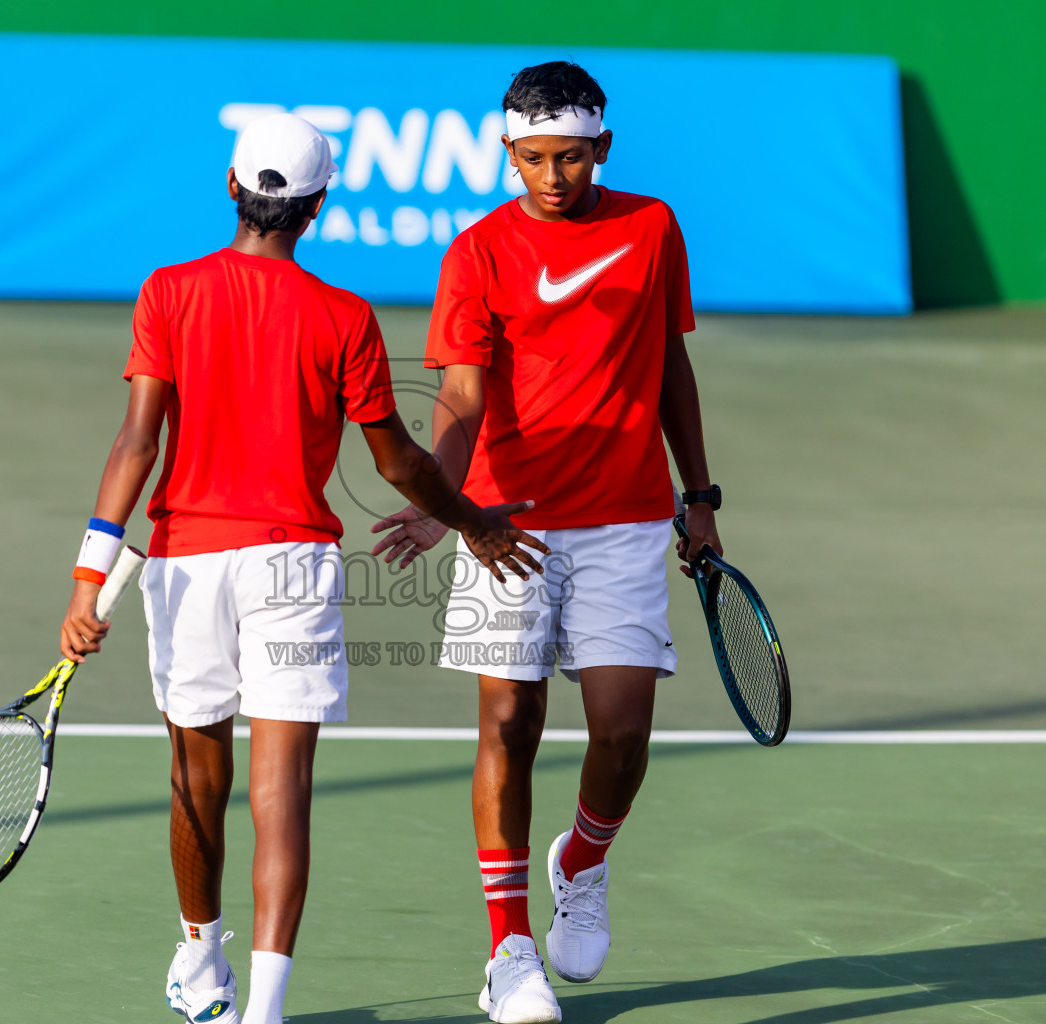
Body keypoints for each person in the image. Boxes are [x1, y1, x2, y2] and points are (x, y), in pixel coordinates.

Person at [59, 112, 549, 1024]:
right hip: (294, 566)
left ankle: (202, 965)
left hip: (188, 564)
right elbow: (398, 462)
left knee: (196, 778)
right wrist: (472, 521)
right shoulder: (346, 316)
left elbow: (136, 441)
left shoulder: (167, 291)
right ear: (318, 205)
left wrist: (90, 578)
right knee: (282, 795)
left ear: (232, 188)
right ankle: (268, 1010)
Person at [371, 62, 723, 1023]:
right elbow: (461, 395)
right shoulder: (479, 249)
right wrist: (438, 498)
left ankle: (585, 857)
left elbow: (671, 364)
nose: (552, 176)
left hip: (625, 516)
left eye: (569, 157)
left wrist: (701, 495)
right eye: (533, 159)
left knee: (621, 733)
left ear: (602, 148)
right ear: (508, 153)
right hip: (506, 526)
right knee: (508, 726)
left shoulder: (650, 227)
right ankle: (510, 949)